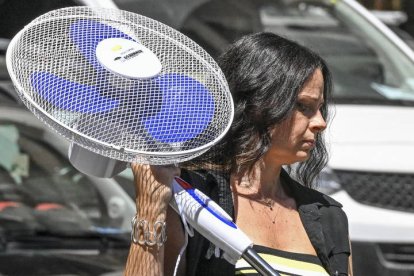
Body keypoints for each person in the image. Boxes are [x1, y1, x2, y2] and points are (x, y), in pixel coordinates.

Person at [124, 32, 353, 276]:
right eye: (303, 107)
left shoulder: (328, 216)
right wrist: (150, 206)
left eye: (320, 109)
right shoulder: (189, 199)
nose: (320, 123)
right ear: (257, 105)